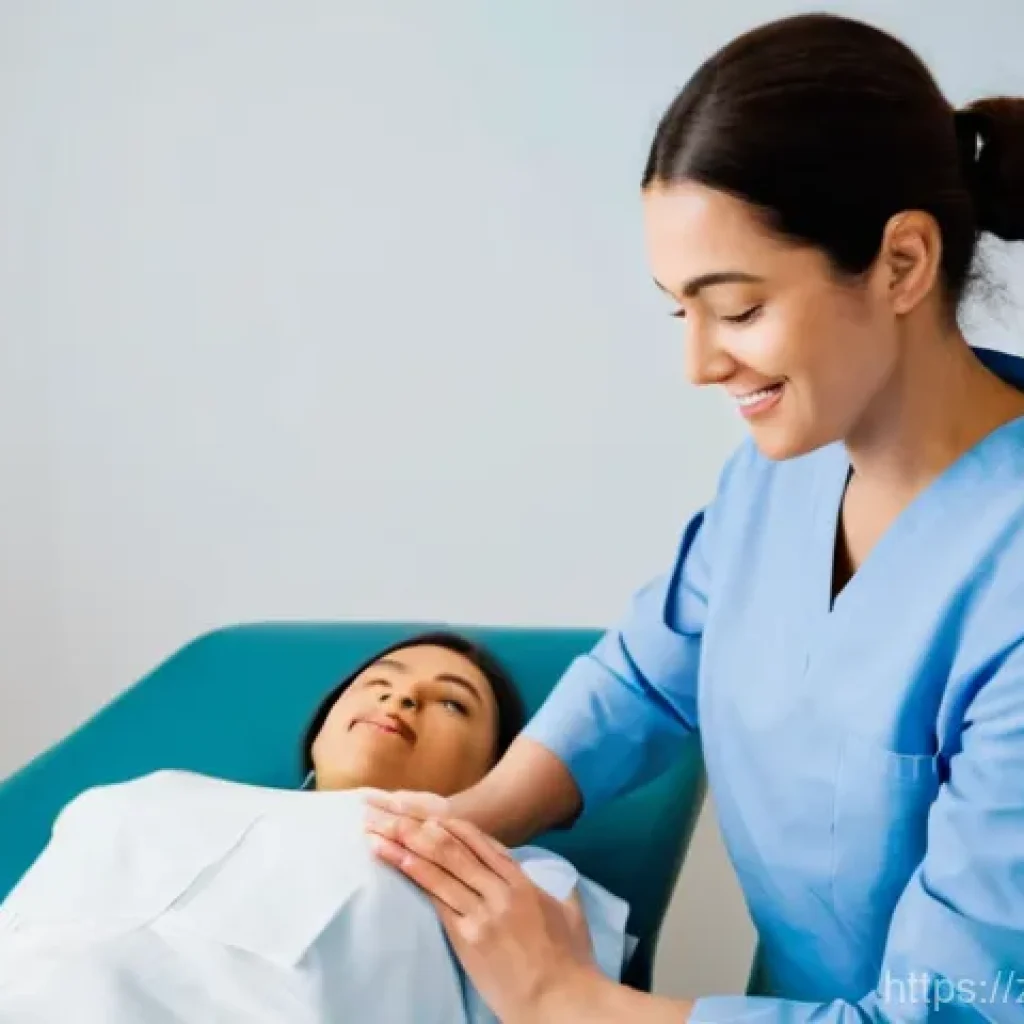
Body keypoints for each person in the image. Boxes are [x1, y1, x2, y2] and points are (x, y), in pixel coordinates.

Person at [364, 13, 1024, 1023]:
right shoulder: (784, 474)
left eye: (740, 309)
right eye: (681, 309)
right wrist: (462, 822)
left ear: (900, 263)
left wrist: (560, 997)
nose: (699, 363)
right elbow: (644, 672)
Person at [0, 632, 631, 1022]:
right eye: (378, 683)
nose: (400, 701)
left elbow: (562, 1008)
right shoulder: (154, 793)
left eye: (452, 703)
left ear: (500, 769)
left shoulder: (511, 874)